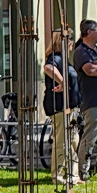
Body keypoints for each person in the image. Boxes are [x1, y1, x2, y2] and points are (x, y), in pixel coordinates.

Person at [42, 28, 80, 184]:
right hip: (59, 106)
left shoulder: (64, 60)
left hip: (71, 106)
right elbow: (48, 68)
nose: (72, 44)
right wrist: (62, 82)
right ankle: (58, 176)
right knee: (62, 141)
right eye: (70, 40)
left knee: (72, 140)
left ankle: (73, 175)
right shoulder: (55, 58)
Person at [72, 21, 97, 174]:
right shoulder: (81, 51)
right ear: (88, 32)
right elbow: (90, 70)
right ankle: (83, 171)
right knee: (90, 137)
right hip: (93, 100)